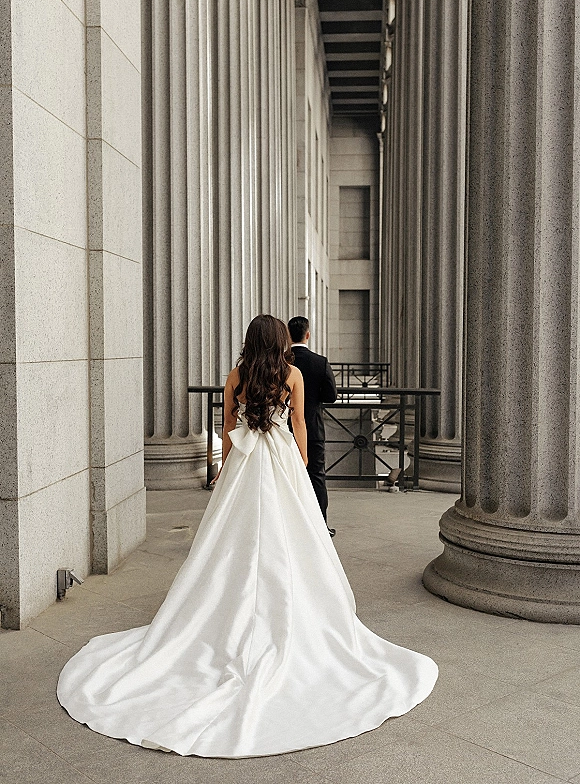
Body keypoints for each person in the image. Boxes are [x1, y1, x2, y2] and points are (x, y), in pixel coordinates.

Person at [57, 315, 437, 758]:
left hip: (246, 460)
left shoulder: (237, 374)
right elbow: (299, 425)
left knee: (228, 540)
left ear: (249, 341)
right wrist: (301, 464)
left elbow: (228, 430)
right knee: (292, 538)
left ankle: (217, 613)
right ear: (281, 341)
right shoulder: (291, 374)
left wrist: (223, 468)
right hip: (280, 459)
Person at [288, 316, 337, 534]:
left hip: (284, 429)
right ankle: (320, 525)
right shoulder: (320, 362)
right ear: (308, 334)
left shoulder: (281, 362)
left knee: (286, 477)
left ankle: (289, 525)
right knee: (316, 475)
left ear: (288, 335)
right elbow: (331, 396)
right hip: (313, 428)